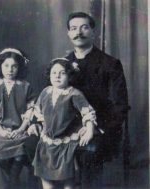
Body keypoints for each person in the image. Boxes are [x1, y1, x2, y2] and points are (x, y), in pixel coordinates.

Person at [64, 12, 129, 184]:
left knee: (88, 152)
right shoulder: (62, 65)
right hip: (66, 127)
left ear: (93, 32)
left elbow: (120, 105)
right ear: (69, 34)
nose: (79, 32)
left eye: (84, 27)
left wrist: (99, 127)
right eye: (73, 29)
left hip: (101, 126)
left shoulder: (110, 64)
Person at [32, 58, 97, 189]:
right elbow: (38, 112)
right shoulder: (45, 92)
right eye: (54, 73)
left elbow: (88, 113)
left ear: (69, 75)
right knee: (46, 179)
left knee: (67, 182)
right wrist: (37, 125)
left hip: (66, 143)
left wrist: (89, 130)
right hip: (47, 142)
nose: (57, 76)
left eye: (62, 73)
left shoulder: (74, 94)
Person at [0, 48, 37, 189]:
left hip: (20, 130)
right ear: (0, 66)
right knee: (0, 150)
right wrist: (0, 130)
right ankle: (8, 183)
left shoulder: (25, 87)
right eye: (6, 65)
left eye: (14, 66)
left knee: (20, 151)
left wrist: (21, 129)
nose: (10, 70)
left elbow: (31, 110)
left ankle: (14, 182)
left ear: (19, 67)